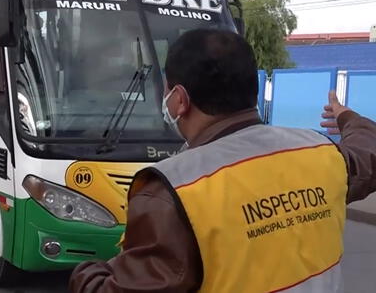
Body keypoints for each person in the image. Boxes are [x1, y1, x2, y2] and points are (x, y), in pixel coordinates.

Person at [70, 28, 376, 292]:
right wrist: (347, 116)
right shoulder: (320, 153)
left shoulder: (174, 190)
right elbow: (368, 149)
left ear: (179, 99)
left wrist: (87, 272)